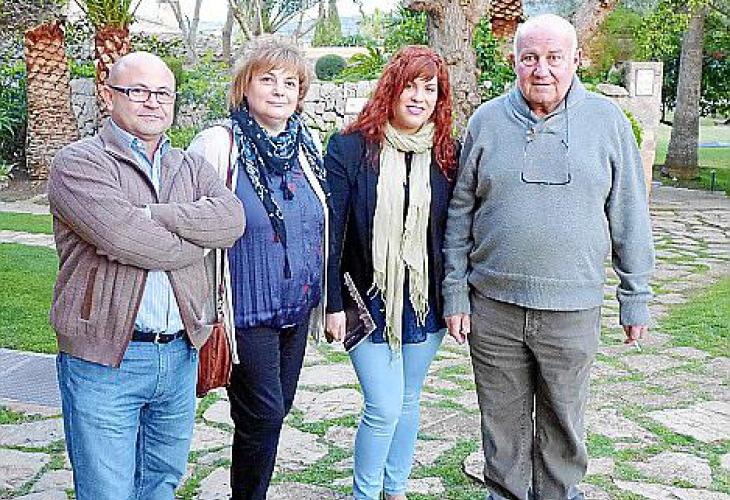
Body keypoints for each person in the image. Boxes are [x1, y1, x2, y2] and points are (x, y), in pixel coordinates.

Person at [442, 14, 655, 500]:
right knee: (501, 429)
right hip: (493, 308)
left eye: (554, 57)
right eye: (530, 57)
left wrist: (635, 296)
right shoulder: (486, 122)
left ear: (576, 59)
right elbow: (459, 213)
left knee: (563, 426)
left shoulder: (607, 122)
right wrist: (455, 292)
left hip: (572, 309)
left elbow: (630, 214)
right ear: (514, 61)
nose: (542, 69)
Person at [47, 52, 244, 500]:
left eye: (163, 93)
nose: (152, 102)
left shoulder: (189, 165)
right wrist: (196, 241)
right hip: (104, 360)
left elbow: (232, 220)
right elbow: (125, 238)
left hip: (178, 356)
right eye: (138, 91)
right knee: (107, 491)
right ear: (108, 96)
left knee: (161, 484)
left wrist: (153, 214)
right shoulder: (79, 163)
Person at [187, 37, 328, 500]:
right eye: (267, 79)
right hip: (243, 308)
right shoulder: (218, 143)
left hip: (296, 307)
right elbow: (191, 216)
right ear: (244, 86)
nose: (279, 90)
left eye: (291, 82)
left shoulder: (307, 145)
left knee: (273, 412)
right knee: (263, 414)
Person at [324, 45, 458, 500]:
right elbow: (333, 231)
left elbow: (456, 231)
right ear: (391, 89)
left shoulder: (446, 154)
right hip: (365, 300)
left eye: (430, 89)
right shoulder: (350, 148)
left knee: (408, 400)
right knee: (383, 406)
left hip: (423, 301)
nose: (419, 97)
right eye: (410, 86)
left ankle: (394, 489)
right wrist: (332, 303)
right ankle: (366, 494)